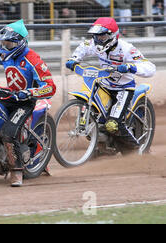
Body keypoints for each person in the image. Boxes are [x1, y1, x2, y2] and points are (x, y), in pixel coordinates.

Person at [0, 20, 56, 186]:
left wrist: (29, 92)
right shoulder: (3, 53)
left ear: (20, 43)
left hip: (25, 101)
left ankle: (16, 170)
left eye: (8, 43)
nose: (4, 46)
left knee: (8, 133)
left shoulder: (34, 60)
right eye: (2, 42)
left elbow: (50, 87)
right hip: (9, 95)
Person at [65, 17, 156, 150]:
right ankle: (103, 144)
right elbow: (83, 47)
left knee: (113, 125)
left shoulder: (126, 49)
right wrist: (73, 59)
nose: (97, 40)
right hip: (104, 84)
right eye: (95, 36)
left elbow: (150, 67)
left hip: (123, 88)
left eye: (101, 36)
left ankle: (135, 150)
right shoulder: (94, 44)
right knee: (98, 118)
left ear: (112, 36)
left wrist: (131, 67)